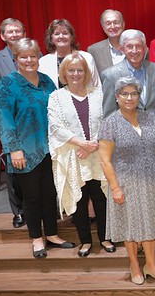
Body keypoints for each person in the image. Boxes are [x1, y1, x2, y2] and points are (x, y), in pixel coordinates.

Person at [0, 38, 73, 258]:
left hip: (51, 149)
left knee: (50, 194)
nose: (29, 60)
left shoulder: (47, 81)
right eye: (23, 56)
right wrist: (14, 149)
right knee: (31, 197)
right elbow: (4, 118)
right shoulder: (8, 84)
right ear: (15, 59)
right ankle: (36, 238)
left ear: (39, 57)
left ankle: (51, 234)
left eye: (33, 56)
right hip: (24, 151)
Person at [99, 76, 155, 285]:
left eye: (134, 93)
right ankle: (134, 266)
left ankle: (151, 265)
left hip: (150, 179)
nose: (129, 98)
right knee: (129, 224)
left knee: (150, 222)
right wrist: (115, 188)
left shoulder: (150, 117)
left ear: (139, 96)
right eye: (124, 94)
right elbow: (105, 161)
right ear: (116, 97)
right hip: (125, 181)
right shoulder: (109, 123)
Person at [47, 53, 114, 257]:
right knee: (79, 201)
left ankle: (105, 237)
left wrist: (92, 144)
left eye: (80, 70)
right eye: (71, 70)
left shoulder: (98, 94)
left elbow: (107, 120)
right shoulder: (56, 97)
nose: (76, 74)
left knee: (101, 198)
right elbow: (56, 126)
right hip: (73, 156)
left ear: (86, 72)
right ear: (64, 73)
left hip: (96, 154)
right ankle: (85, 241)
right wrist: (81, 144)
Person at [0, 17, 26, 228]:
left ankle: (38, 208)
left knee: (36, 168)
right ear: (3, 36)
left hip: (33, 123)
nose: (15, 34)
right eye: (11, 31)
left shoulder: (33, 54)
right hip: (10, 123)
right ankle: (18, 212)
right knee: (14, 170)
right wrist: (0, 127)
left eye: (18, 31)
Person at [100, 29, 155, 117]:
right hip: (126, 129)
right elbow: (109, 114)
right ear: (122, 49)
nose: (134, 51)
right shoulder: (110, 75)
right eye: (129, 47)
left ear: (145, 49)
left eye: (138, 46)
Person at [38, 19, 100, 89]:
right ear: (51, 38)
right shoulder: (43, 62)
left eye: (65, 33)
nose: (61, 36)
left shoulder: (86, 58)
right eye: (57, 34)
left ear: (72, 37)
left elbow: (97, 86)